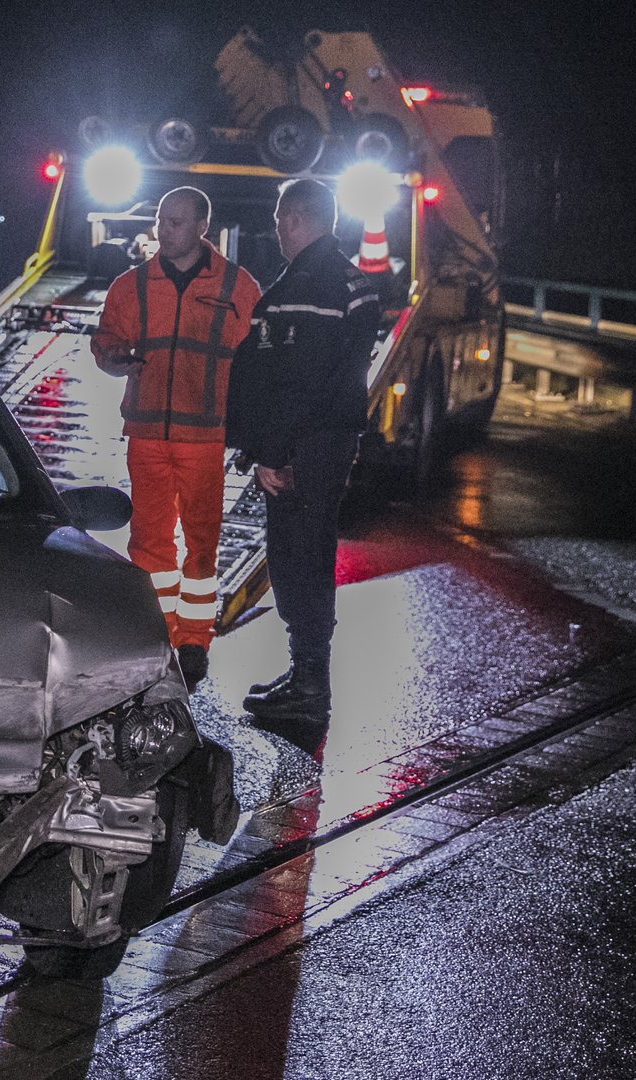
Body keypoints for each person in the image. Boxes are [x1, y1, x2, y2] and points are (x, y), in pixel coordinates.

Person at [91, 187, 262, 689]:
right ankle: (156, 635)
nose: (163, 230)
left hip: (204, 437)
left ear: (202, 228)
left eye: (176, 222)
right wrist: (113, 356)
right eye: (162, 220)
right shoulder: (132, 286)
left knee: (202, 544)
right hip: (146, 433)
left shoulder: (238, 287)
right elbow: (105, 339)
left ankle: (193, 641)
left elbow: (256, 360)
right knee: (148, 541)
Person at [226, 178, 379, 736]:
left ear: (293, 219)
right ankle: (304, 677)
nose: (276, 231)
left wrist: (273, 452)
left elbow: (297, 380)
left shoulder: (309, 285)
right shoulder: (351, 280)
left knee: (297, 560)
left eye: (278, 220)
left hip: (303, 449)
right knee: (307, 554)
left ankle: (310, 688)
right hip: (326, 443)